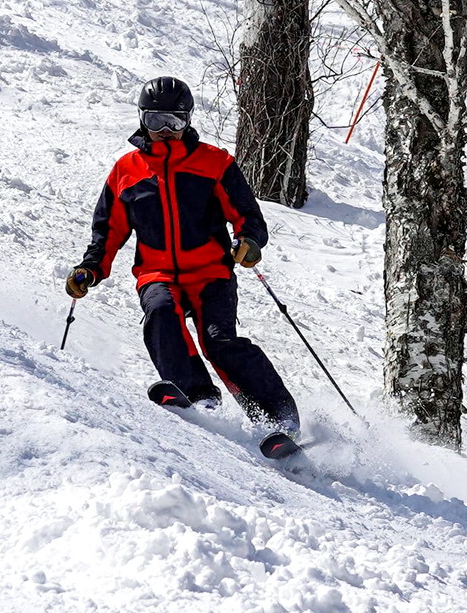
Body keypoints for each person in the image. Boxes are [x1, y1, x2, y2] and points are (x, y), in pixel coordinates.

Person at [66, 76, 300, 440]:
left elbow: (247, 216)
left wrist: (249, 241)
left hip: (210, 272)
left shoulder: (214, 163)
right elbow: (108, 231)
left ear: (188, 120)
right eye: (155, 121)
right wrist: (91, 268)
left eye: (174, 121)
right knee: (160, 313)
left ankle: (278, 419)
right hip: (157, 272)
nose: (165, 131)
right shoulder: (126, 171)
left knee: (218, 341)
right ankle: (198, 396)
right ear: (142, 119)